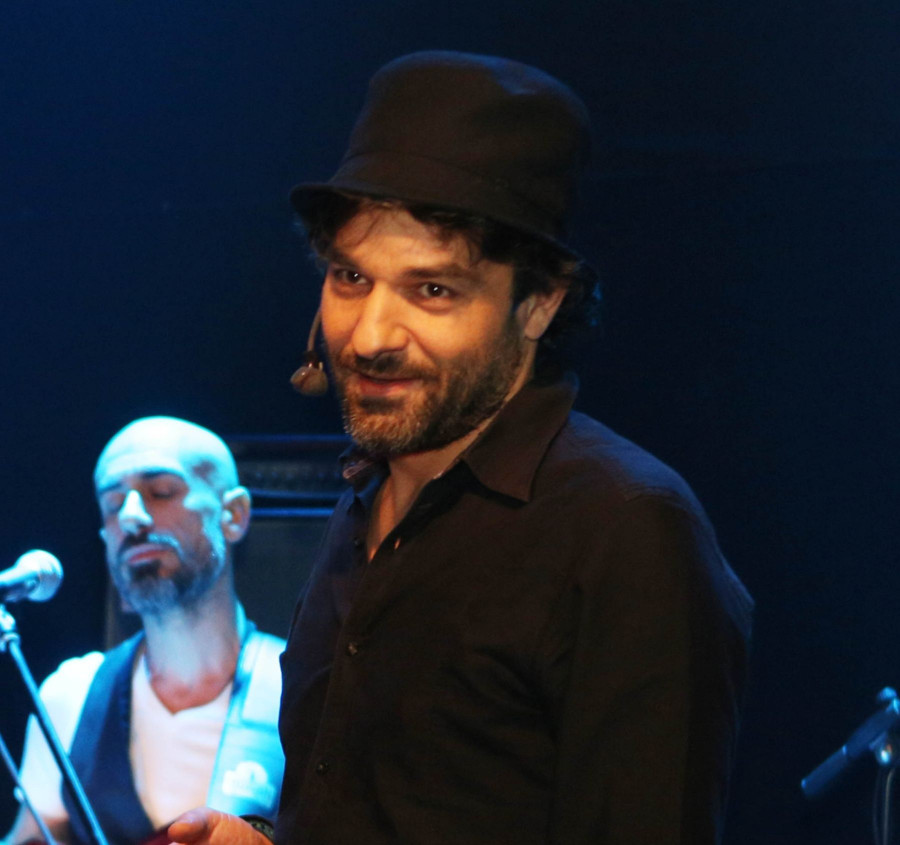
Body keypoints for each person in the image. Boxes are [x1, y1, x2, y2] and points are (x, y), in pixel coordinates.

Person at [168, 50, 753, 845]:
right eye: (350, 278)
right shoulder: (366, 500)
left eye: (432, 289)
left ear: (538, 304)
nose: (370, 336)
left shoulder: (624, 530)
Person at [4, 417, 285, 845]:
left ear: (233, 515)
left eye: (162, 492)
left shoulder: (302, 688)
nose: (131, 516)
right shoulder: (72, 694)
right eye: (114, 504)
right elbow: (34, 837)